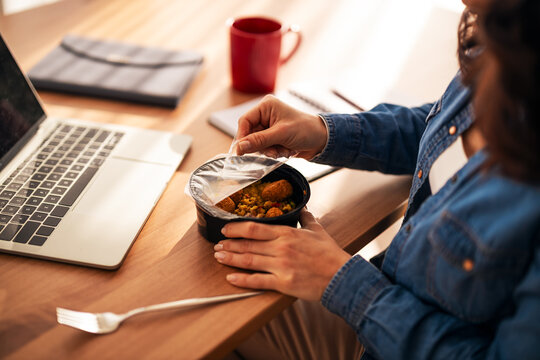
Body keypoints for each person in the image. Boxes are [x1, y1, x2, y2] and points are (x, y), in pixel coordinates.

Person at [214, 0, 540, 358]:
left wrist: (339, 280)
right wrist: (322, 132)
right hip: (380, 305)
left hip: (385, 330)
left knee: (207, 323)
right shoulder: (502, 44)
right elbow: (443, 127)